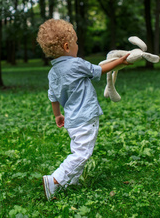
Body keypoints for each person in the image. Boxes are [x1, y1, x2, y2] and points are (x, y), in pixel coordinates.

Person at [37, 18, 130, 201]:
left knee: (79, 150)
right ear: (66, 46)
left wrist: (57, 115)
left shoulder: (53, 72)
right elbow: (100, 70)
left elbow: (53, 97)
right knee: (82, 153)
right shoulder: (77, 64)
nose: (77, 45)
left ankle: (71, 181)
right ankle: (55, 179)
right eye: (76, 42)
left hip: (72, 120)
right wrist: (119, 62)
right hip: (85, 118)